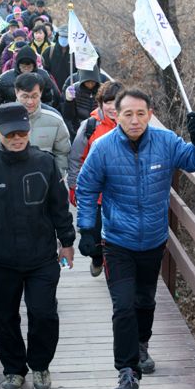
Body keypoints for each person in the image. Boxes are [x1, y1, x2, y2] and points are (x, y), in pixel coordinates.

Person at [76, 88, 195, 389]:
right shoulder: (102, 148)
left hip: (153, 239)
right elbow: (86, 188)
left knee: (144, 299)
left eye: (141, 113)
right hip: (117, 241)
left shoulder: (166, 143)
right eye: (128, 114)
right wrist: (86, 228)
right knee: (123, 305)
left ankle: (141, 343)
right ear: (116, 115)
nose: (134, 120)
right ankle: (127, 374)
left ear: (150, 114)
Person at [0, 102, 76, 389]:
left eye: (22, 133)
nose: (17, 139)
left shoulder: (44, 162)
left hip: (42, 256)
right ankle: (14, 370)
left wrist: (67, 242)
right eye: (10, 134)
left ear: (29, 131)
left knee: (43, 313)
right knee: (5, 316)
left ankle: (40, 365)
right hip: (0, 259)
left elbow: (59, 206)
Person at [68, 80, 124, 276]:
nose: (112, 107)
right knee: (96, 237)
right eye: (107, 102)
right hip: (96, 195)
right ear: (100, 103)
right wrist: (73, 186)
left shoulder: (132, 125)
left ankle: (114, 271)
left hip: (122, 194)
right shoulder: (90, 126)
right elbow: (76, 158)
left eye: (117, 102)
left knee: (116, 239)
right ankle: (97, 258)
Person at [0, 73, 71, 175]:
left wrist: (58, 178)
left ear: (41, 93)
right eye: (25, 96)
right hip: (9, 178)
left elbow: (62, 153)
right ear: (16, 92)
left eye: (34, 96)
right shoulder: (3, 118)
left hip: (43, 180)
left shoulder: (54, 120)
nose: (30, 102)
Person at [0, 45, 61, 109]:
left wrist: (43, 110)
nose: (26, 70)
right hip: (12, 116)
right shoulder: (5, 79)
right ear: (18, 65)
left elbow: (53, 98)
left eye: (29, 67)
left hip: (38, 115)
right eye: (23, 67)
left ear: (34, 66)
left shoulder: (43, 76)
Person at [62, 65, 103, 140]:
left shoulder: (103, 90)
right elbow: (68, 116)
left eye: (93, 82)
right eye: (87, 82)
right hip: (78, 130)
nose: (90, 85)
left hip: (99, 131)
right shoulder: (74, 89)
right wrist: (69, 101)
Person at [42, 25, 74, 90]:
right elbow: (44, 71)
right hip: (52, 88)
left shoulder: (75, 54)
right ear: (57, 36)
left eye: (66, 37)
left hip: (70, 89)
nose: (64, 39)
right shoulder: (49, 52)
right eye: (62, 36)